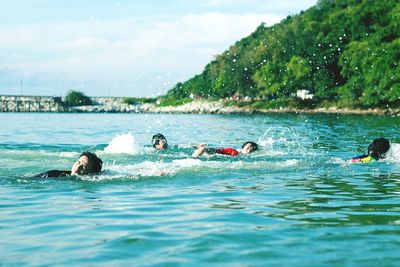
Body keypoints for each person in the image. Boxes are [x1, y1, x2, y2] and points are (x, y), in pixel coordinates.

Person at [35, 151, 103, 178]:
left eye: (84, 167)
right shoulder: (51, 174)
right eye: (78, 162)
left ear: (90, 174)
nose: (78, 167)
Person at [192, 141, 258, 157]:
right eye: (248, 147)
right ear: (243, 147)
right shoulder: (232, 151)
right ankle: (193, 158)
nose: (249, 149)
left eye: (252, 149)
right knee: (203, 149)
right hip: (216, 152)